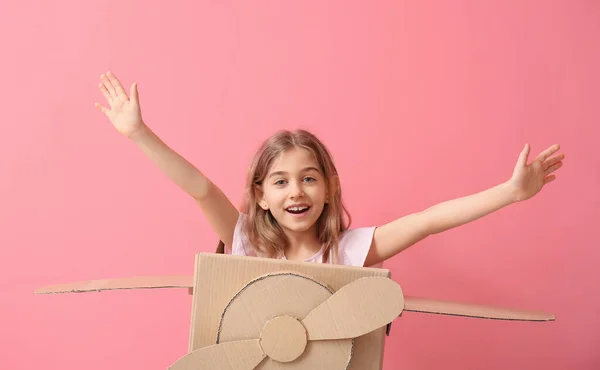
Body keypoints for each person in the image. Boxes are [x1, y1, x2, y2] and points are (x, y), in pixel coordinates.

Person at [94, 71, 564, 267]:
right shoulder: (245, 242)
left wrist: (510, 192)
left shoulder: (350, 250)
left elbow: (429, 220)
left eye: (309, 178)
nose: (295, 191)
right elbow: (199, 188)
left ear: (329, 188)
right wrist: (139, 134)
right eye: (280, 181)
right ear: (260, 195)